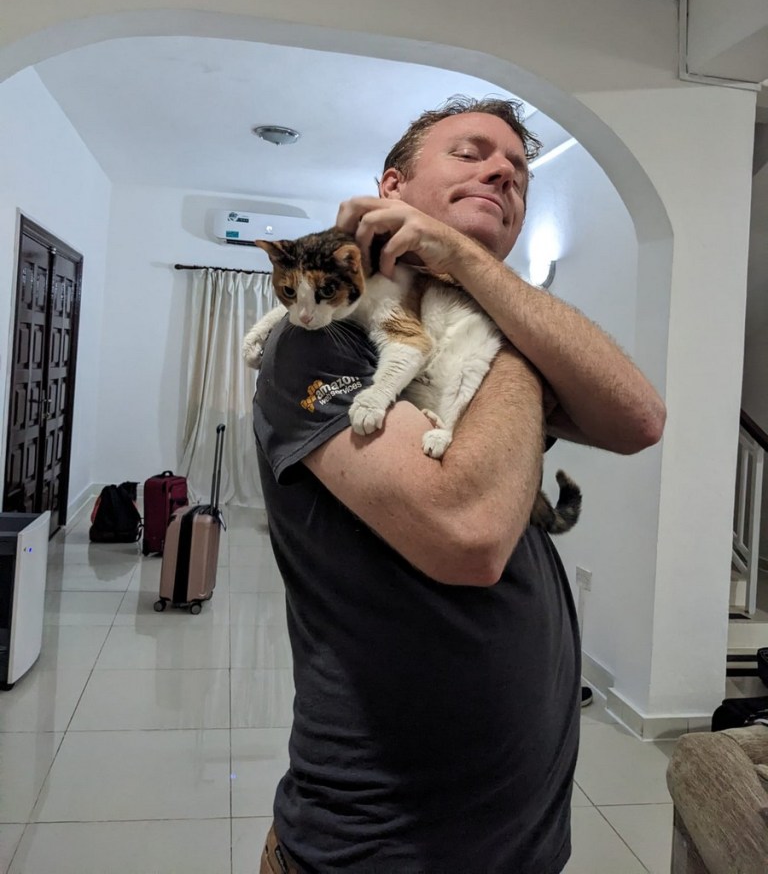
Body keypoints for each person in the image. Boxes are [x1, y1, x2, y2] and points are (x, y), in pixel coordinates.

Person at [253, 95, 666, 874]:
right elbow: (469, 534)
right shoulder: (323, 338)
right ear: (392, 188)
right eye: (472, 153)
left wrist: (474, 272)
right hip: (381, 846)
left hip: (524, 841)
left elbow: (640, 418)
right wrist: (504, 336)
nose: (502, 172)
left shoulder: (472, 311)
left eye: (518, 172)